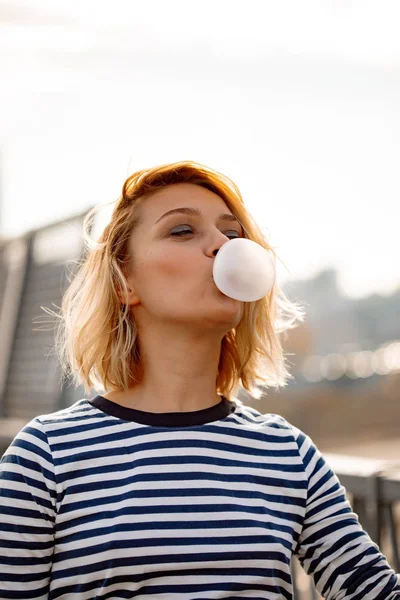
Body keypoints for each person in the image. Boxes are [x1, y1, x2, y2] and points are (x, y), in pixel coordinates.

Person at [0, 160, 399, 600]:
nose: (222, 247)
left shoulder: (288, 453)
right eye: (182, 231)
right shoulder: (47, 456)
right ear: (124, 282)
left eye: (232, 234)